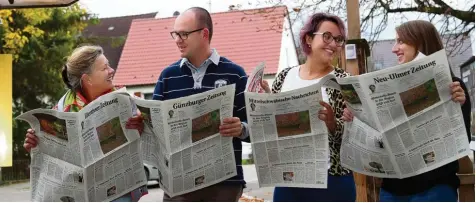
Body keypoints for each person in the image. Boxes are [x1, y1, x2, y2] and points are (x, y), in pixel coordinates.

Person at [342, 20, 471, 202]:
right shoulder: (388, 89)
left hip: (434, 189)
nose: (394, 49)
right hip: (392, 191)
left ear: (420, 42)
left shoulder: (454, 85)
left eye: (401, 41)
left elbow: (461, 140)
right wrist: (355, 120)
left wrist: (459, 106)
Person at [23, 45, 148, 202]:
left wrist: (141, 128)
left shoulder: (122, 100)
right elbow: (52, 157)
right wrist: (35, 145)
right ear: (86, 78)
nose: (112, 70)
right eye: (105, 68)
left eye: (109, 65)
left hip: (118, 191)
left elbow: (143, 143)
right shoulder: (62, 109)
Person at [152, 7, 250, 202]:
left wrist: (241, 129)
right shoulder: (167, 76)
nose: (178, 39)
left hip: (224, 185)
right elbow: (154, 127)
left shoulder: (235, 74)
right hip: (178, 185)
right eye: (175, 34)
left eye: (184, 34)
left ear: (204, 34)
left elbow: (256, 128)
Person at [261, 13, 356, 202]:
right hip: (289, 179)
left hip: (332, 181)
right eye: (327, 36)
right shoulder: (284, 76)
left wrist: (332, 124)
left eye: (338, 40)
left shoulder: (343, 81)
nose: (333, 44)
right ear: (309, 38)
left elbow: (353, 137)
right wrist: (265, 103)